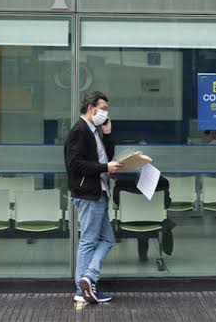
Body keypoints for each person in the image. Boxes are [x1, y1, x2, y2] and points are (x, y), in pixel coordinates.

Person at [64, 91, 123, 305]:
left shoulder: (93, 131)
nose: (106, 113)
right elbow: (74, 164)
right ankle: (81, 289)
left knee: (107, 239)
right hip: (88, 194)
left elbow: (104, 157)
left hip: (98, 192)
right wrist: (105, 168)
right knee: (88, 241)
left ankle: (88, 278)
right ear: (91, 108)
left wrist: (107, 135)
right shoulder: (79, 131)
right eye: (103, 108)